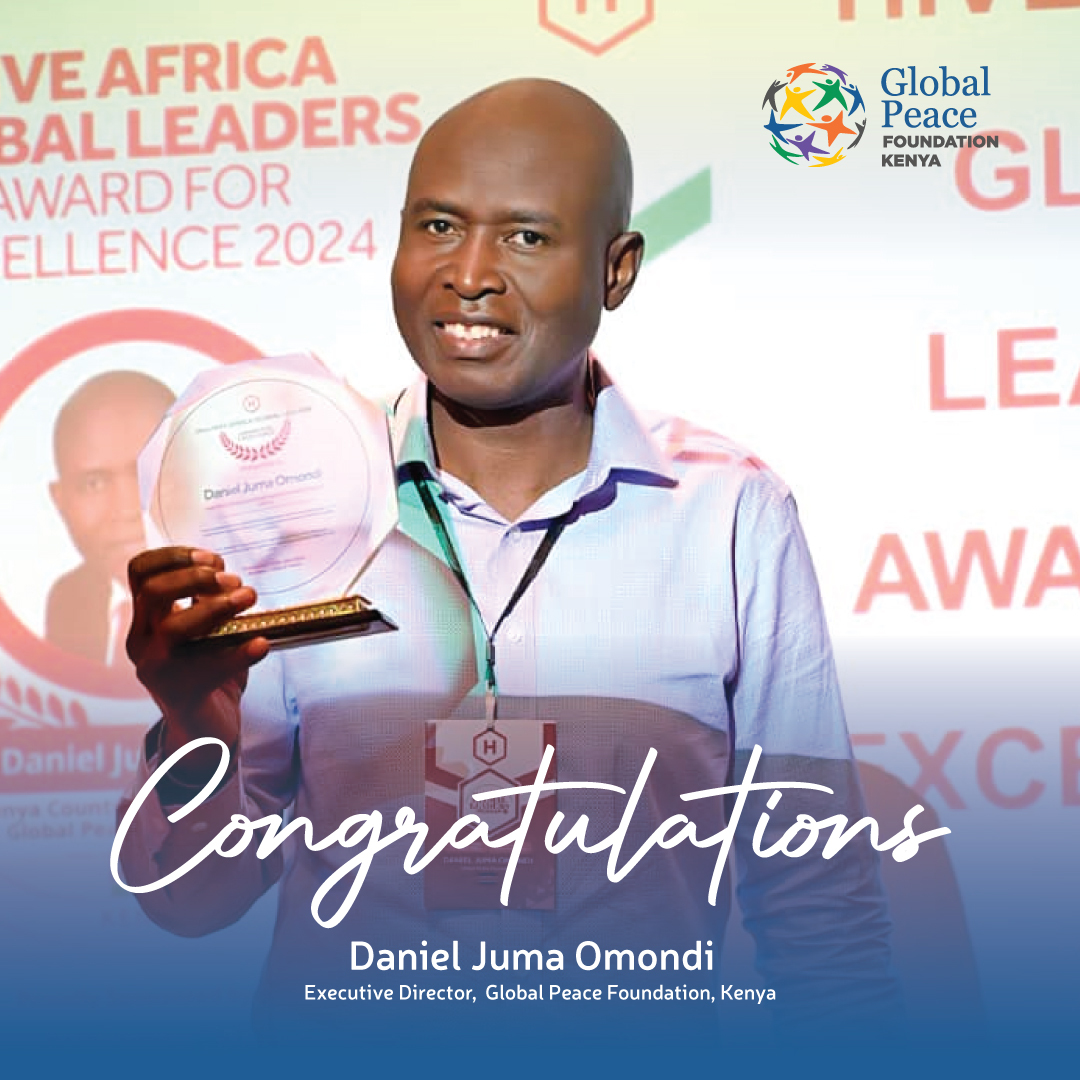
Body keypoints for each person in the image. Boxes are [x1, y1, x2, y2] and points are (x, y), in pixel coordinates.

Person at [118, 80, 900, 1041]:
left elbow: (817, 899)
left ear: (616, 271)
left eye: (527, 237)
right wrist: (195, 726)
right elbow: (190, 904)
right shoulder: (298, 507)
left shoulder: (730, 514)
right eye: (438, 225)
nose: (470, 273)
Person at [46, 370, 175, 666]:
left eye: (147, 472)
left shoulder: (249, 593)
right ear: (60, 500)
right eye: (94, 483)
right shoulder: (68, 599)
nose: (127, 509)